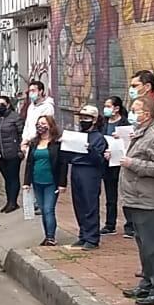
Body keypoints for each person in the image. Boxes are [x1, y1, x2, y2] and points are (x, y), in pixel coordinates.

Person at [119, 96, 154, 305]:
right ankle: (147, 283)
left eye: (136, 110)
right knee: (144, 245)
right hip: (136, 198)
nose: (132, 114)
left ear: (147, 114)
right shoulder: (142, 132)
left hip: (149, 200)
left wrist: (132, 163)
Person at [65, 104, 108, 251]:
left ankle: (92, 237)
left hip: (90, 171)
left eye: (86, 118)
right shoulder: (77, 135)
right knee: (79, 204)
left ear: (94, 120)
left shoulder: (98, 138)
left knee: (90, 204)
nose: (83, 120)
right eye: (81, 118)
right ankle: (83, 234)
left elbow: (100, 160)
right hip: (76, 169)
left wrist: (90, 149)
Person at [21, 115, 67, 246]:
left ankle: (51, 236)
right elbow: (29, 163)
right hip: (37, 181)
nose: (40, 126)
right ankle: (47, 235)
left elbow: (63, 164)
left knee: (48, 209)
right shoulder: (34, 143)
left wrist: (62, 183)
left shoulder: (57, 144)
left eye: (44, 123)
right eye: (39, 123)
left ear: (50, 126)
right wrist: (26, 182)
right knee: (42, 208)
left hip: (51, 182)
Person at [0, 95, 24, 212]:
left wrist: (19, 149)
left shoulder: (15, 117)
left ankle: (13, 202)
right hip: (0, 154)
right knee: (6, 178)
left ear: (8, 105)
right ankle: (9, 201)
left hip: (13, 153)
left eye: (2, 104)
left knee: (13, 177)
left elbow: (21, 133)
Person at [100, 96, 129, 235]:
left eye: (108, 106)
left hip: (122, 162)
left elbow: (128, 142)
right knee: (110, 196)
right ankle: (110, 224)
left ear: (116, 108)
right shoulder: (103, 123)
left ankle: (130, 226)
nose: (106, 109)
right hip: (108, 163)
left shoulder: (125, 123)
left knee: (126, 194)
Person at [20, 80, 55, 145]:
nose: (31, 93)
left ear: (40, 91)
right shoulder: (31, 107)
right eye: (30, 91)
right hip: (29, 142)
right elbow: (27, 124)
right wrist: (24, 139)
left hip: (40, 141)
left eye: (33, 90)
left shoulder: (47, 107)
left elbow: (44, 127)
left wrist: (30, 139)